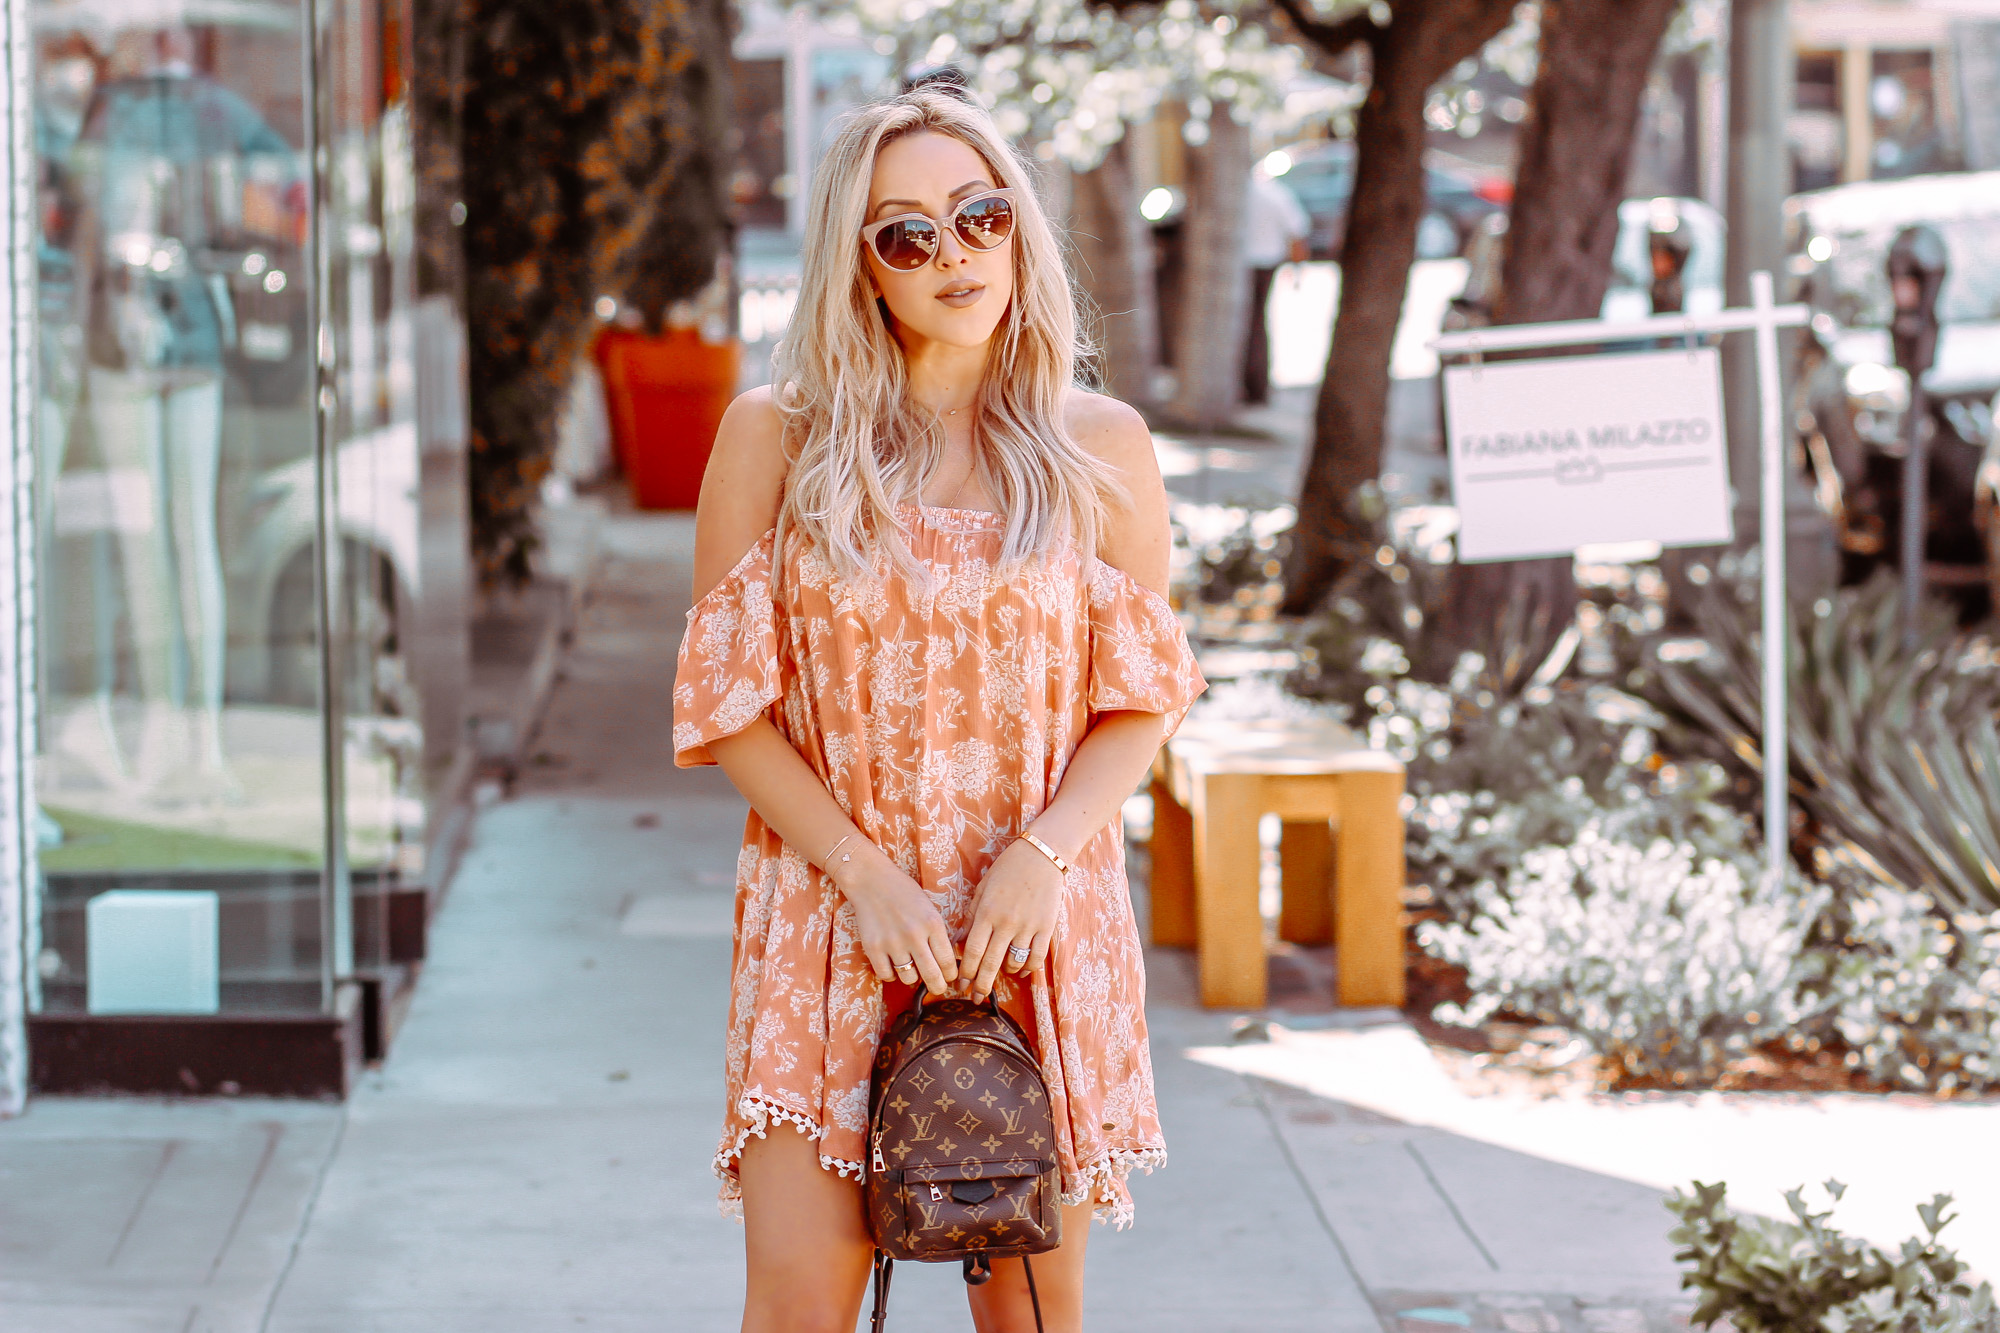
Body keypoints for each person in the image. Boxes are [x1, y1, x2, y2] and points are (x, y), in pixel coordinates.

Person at [673, 87, 1205, 1333]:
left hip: (1029, 930)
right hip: (827, 920)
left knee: (1028, 1315)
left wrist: (1040, 856)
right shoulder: (779, 439)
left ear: (1019, 224)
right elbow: (725, 702)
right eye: (904, 235)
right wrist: (861, 872)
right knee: (799, 1306)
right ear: (858, 271)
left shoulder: (1101, 446)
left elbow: (1142, 697)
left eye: (977, 216)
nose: (953, 254)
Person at [1240, 162, 1309, 405]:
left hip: (1255, 265)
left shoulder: (1259, 193)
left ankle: (1254, 387)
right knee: (1256, 326)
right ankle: (1255, 387)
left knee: (1251, 326)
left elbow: (1297, 233)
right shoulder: (1274, 193)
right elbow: (1297, 233)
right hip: (1260, 264)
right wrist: (1298, 270)